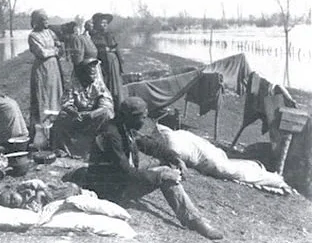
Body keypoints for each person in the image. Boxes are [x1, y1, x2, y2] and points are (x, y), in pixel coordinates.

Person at [85, 96, 224, 240]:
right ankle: (194, 220)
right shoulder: (112, 135)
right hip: (109, 191)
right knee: (164, 172)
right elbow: (125, 172)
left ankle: (192, 215)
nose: (144, 121)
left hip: (115, 181)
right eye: (142, 118)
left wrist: (175, 158)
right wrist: (161, 177)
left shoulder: (123, 126)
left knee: (164, 165)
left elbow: (150, 145)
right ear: (130, 117)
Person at [51, 58, 114, 156]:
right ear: (83, 74)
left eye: (94, 74)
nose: (94, 76)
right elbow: (66, 103)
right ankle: (65, 149)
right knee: (62, 116)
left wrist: (92, 114)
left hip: (94, 116)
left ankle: (98, 148)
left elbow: (106, 104)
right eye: (90, 74)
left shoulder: (98, 86)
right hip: (77, 116)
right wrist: (74, 112)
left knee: (106, 114)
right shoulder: (73, 85)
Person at [28, 9, 64, 137]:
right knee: (43, 97)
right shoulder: (33, 36)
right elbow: (41, 53)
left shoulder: (50, 32)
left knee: (55, 94)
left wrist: (55, 49)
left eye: (47, 18)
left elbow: (60, 48)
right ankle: (41, 131)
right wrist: (54, 50)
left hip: (54, 68)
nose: (46, 21)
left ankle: (56, 128)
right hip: (42, 69)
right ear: (37, 22)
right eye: (43, 19)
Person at [90, 13, 125, 110]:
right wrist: (106, 50)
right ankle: (106, 105)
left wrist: (119, 58)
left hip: (114, 63)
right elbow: (95, 50)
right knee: (105, 83)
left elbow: (116, 47)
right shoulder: (94, 36)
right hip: (103, 64)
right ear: (97, 24)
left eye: (106, 23)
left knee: (116, 84)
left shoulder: (110, 35)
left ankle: (117, 103)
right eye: (102, 23)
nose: (105, 25)